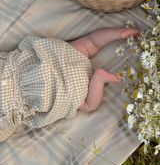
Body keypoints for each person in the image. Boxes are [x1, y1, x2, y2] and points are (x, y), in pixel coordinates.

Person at [0, 27, 139, 142]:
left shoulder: (73, 53)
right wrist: (116, 33)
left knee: (88, 105)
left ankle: (99, 79)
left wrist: (117, 33)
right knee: (90, 44)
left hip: (61, 91)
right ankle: (100, 76)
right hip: (50, 67)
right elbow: (92, 41)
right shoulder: (69, 53)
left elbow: (93, 40)